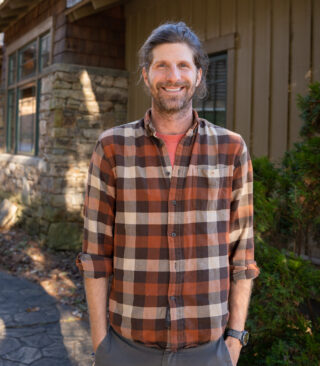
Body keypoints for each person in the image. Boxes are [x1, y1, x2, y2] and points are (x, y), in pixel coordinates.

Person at [76, 21, 259, 366]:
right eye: (161, 65)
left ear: (199, 75)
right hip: (126, 348)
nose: (172, 75)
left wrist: (234, 341)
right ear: (146, 75)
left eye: (183, 65)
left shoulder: (232, 149)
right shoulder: (112, 147)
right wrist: (101, 343)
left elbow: (242, 253)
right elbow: (95, 253)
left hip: (208, 352)